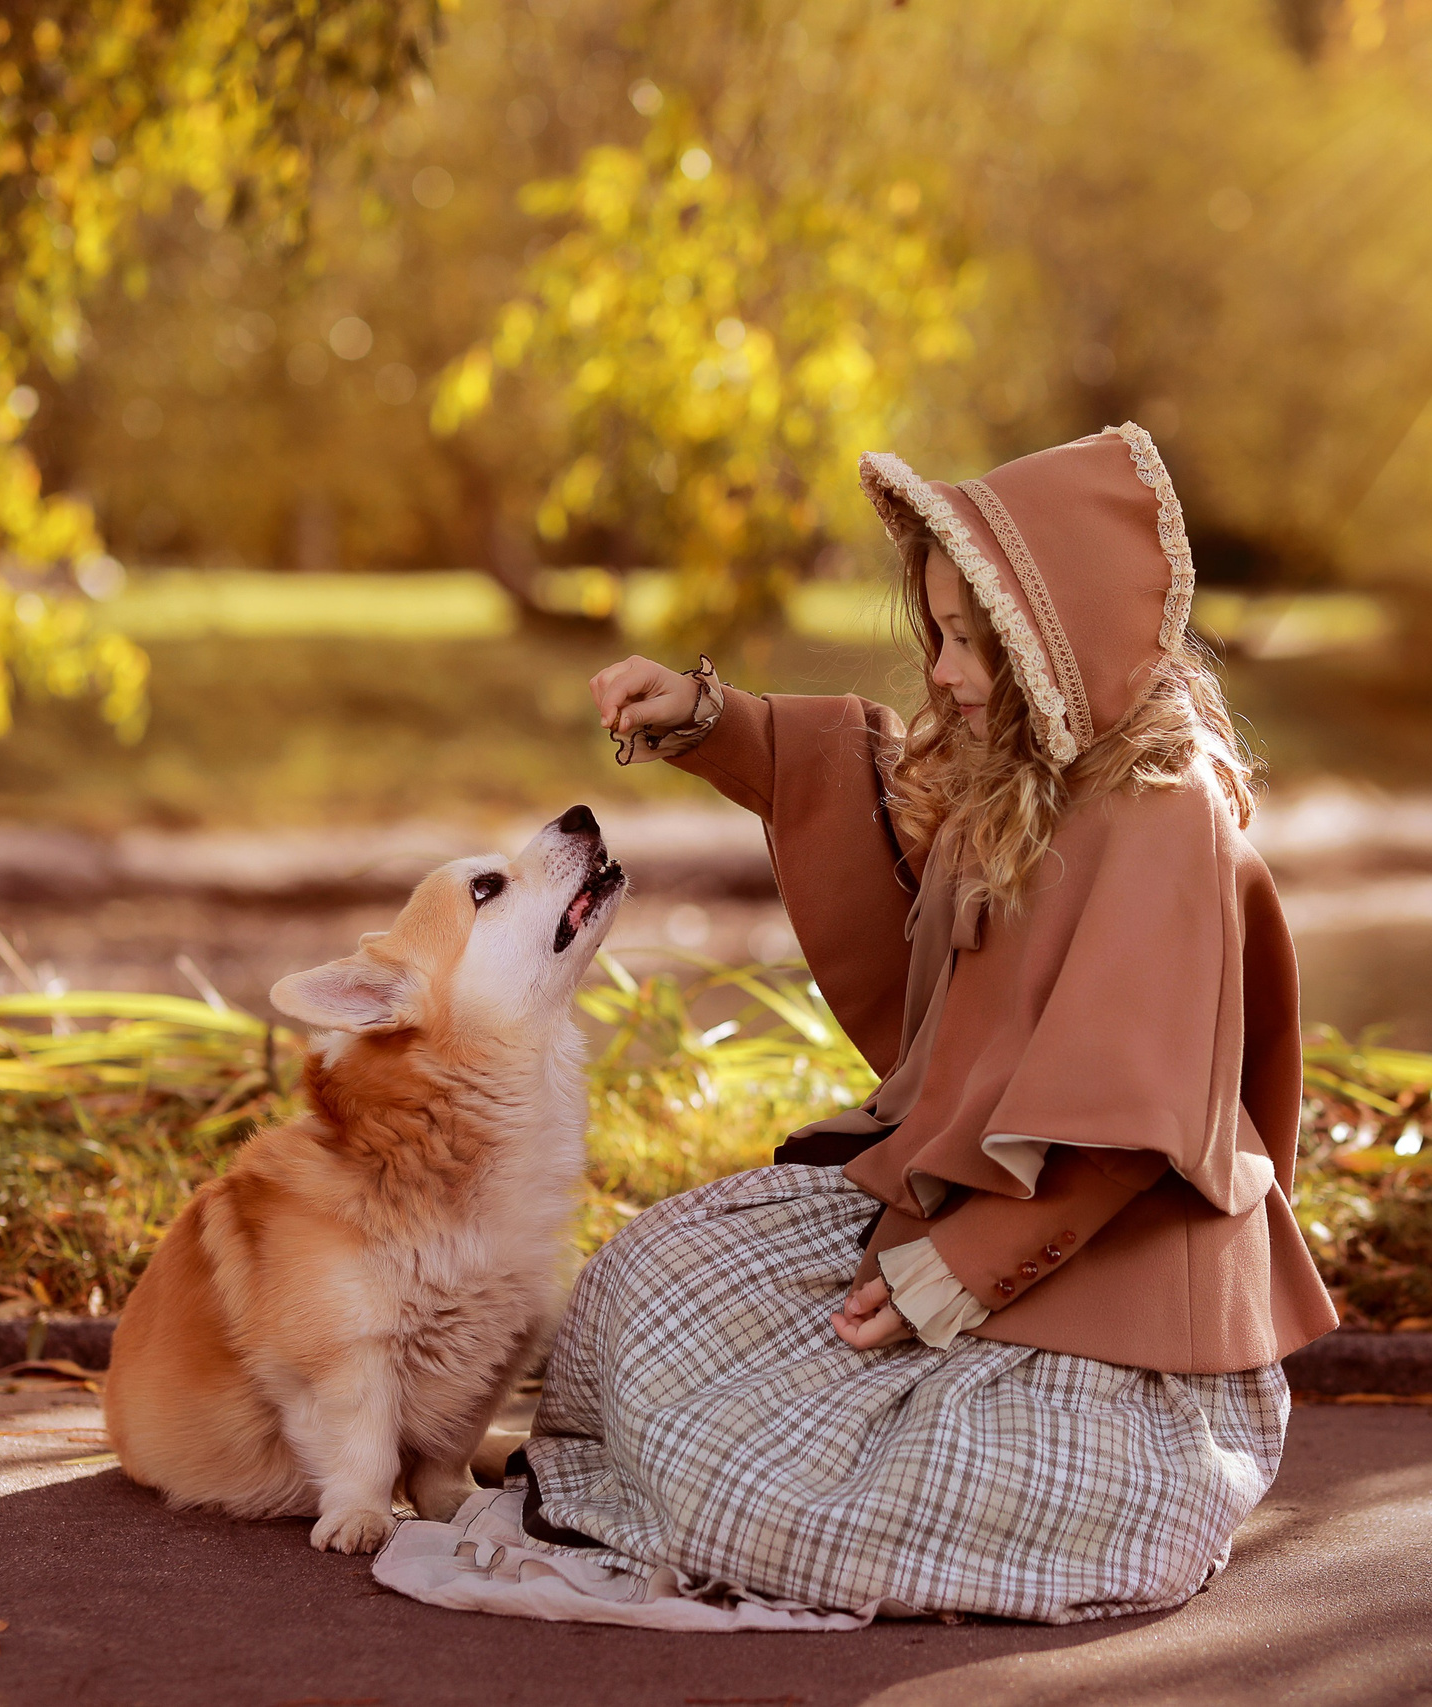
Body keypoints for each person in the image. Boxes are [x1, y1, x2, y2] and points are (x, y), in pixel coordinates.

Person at [521, 425, 1333, 1624]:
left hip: (1109, 1280)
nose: (943, 672)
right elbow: (877, 794)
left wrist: (954, 1272)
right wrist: (707, 716)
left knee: (804, 1486)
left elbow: (1130, 1125)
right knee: (648, 1280)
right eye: (939, 634)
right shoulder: (1020, 764)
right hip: (952, 1200)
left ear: (1054, 642)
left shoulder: (1169, 821)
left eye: (967, 642)